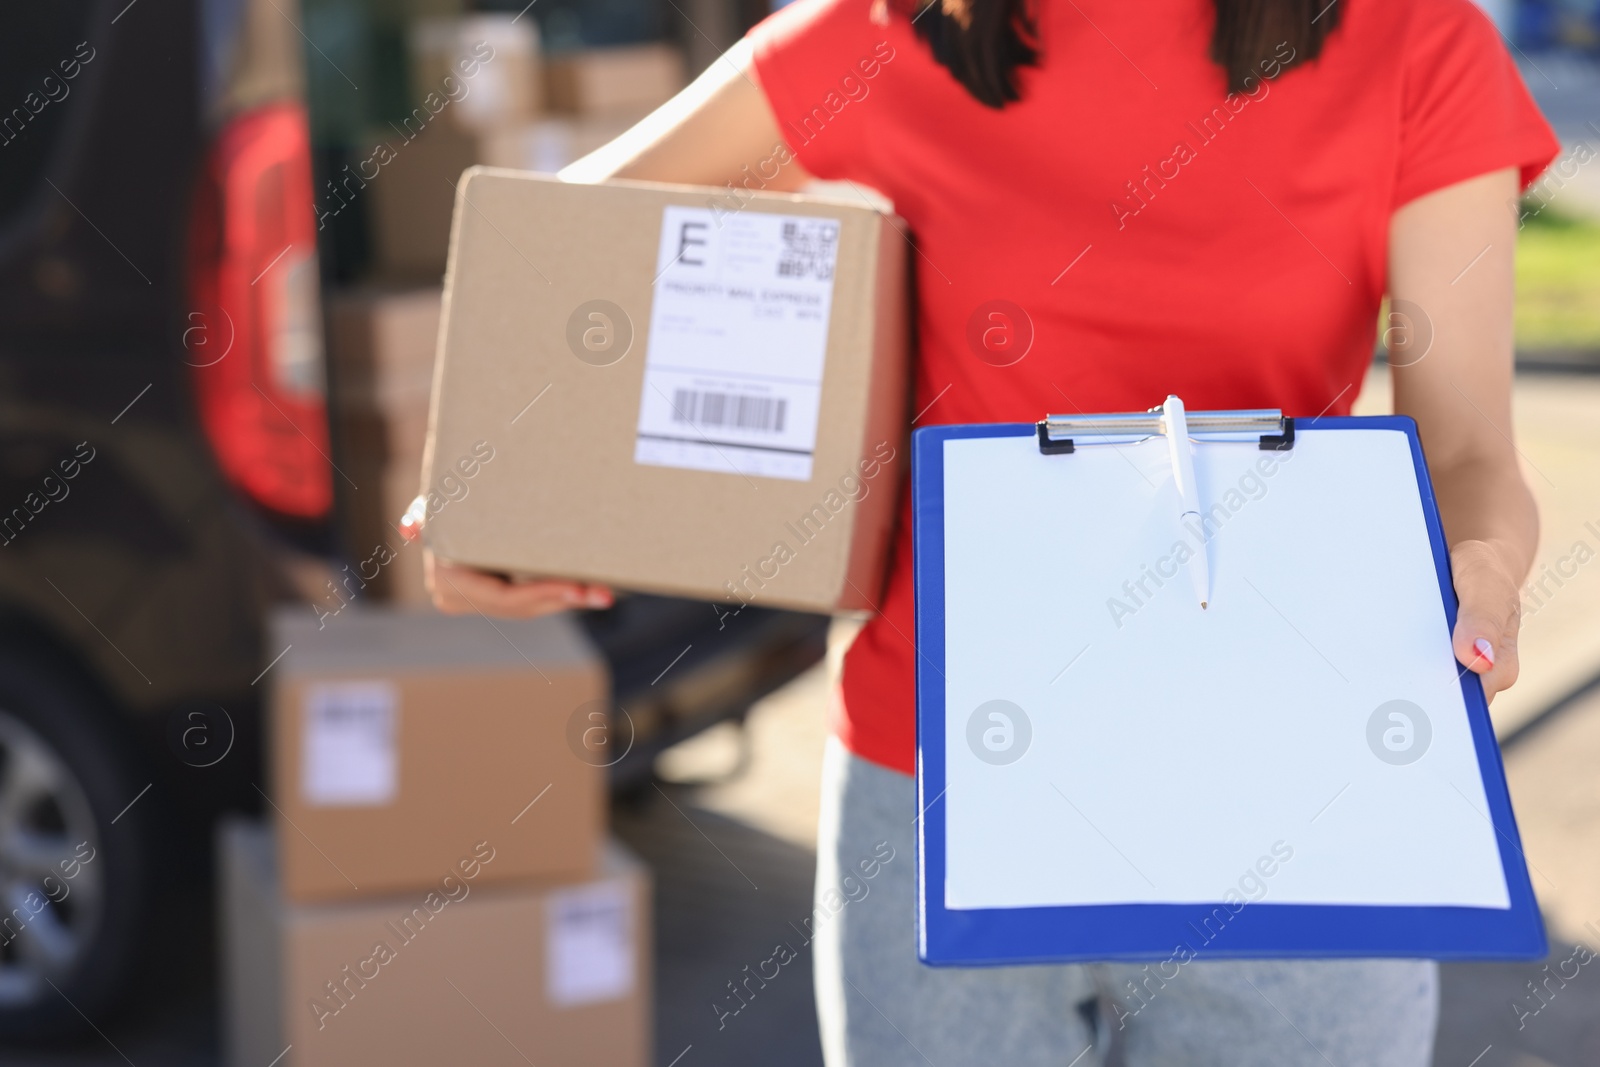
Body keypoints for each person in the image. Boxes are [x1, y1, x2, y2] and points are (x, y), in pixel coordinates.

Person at [426, 0, 1559, 1063]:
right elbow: (558, 247)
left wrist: (1486, 571)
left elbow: (1462, 452)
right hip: (937, 773)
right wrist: (494, 491)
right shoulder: (890, 31)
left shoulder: (1413, 38)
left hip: (1282, 775)